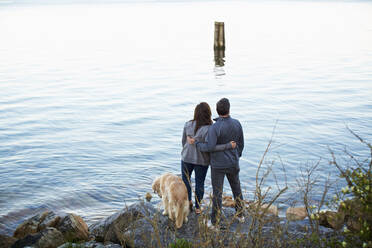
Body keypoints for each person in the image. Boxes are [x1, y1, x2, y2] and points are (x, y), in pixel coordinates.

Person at [188, 98, 244, 227]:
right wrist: (236, 155)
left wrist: (196, 143)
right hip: (233, 163)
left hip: (218, 166)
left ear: (217, 111)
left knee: (217, 193)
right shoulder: (237, 123)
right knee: (237, 189)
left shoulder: (215, 127)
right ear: (229, 109)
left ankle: (215, 222)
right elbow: (241, 144)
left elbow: (209, 147)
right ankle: (241, 215)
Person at [181, 102, 236, 214]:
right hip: (202, 160)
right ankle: (197, 207)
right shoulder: (210, 128)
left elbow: (183, 141)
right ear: (208, 114)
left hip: (186, 157)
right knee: (199, 183)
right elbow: (210, 146)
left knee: (186, 180)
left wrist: (187, 149)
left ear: (195, 113)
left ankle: (189, 201)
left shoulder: (187, 124)